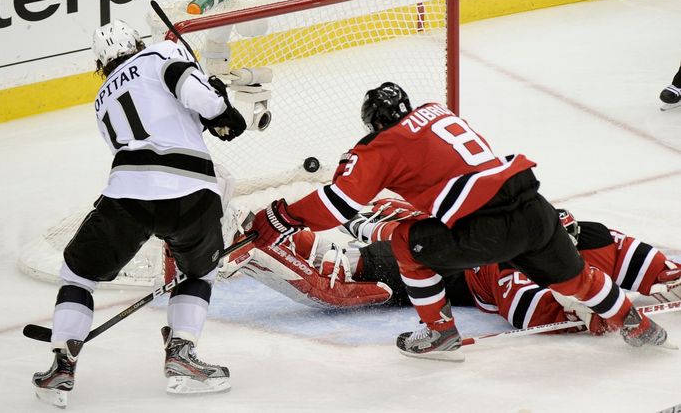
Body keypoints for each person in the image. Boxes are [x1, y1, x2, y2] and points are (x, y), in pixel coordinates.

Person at [248, 81, 668, 361]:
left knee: (405, 242)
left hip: (486, 231)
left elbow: (338, 203)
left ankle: (440, 332)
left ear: (374, 123)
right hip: (535, 208)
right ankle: (639, 325)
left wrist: (285, 215)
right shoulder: (438, 112)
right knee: (576, 280)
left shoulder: (382, 144)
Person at [32, 19, 252, 407]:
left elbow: (151, 129)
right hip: (192, 192)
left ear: (101, 62)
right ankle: (182, 356)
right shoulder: (161, 53)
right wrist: (220, 109)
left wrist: (208, 115)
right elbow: (192, 95)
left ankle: (62, 364)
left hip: (129, 194)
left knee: (78, 275)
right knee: (200, 271)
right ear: (137, 41)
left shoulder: (101, 100)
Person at [219, 200, 681, 335]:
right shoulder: (515, 264)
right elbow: (525, 310)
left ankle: (259, 242)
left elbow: (648, 263)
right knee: (348, 278)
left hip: (468, 244)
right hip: (462, 268)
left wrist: (665, 275)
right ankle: (255, 243)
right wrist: (578, 311)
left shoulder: (589, 234)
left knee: (361, 264)